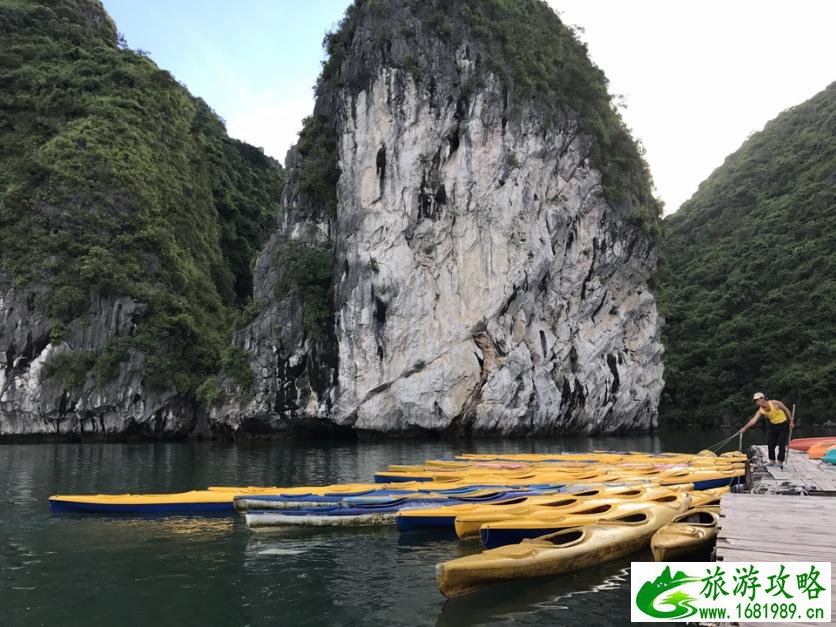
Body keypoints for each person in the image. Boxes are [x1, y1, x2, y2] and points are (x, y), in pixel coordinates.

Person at [741, 392, 794, 468]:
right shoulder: (761, 410)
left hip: (783, 425)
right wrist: (745, 427)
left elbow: (786, 410)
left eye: (757, 400)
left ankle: (780, 461)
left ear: (762, 398)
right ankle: (772, 461)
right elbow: (754, 419)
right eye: (755, 401)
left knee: (781, 443)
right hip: (773, 426)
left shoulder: (775, 403)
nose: (757, 402)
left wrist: (791, 421)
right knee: (770, 444)